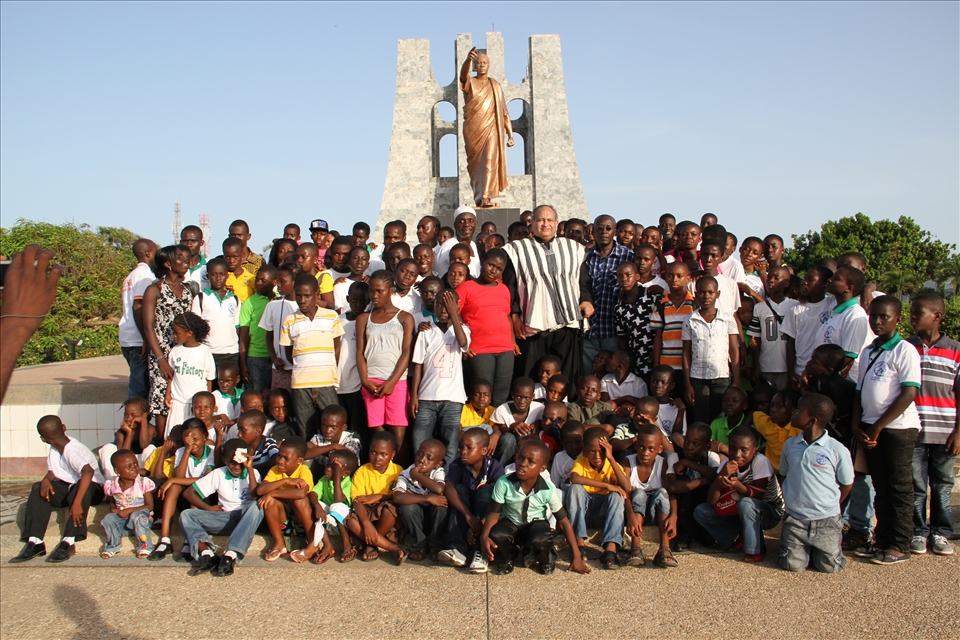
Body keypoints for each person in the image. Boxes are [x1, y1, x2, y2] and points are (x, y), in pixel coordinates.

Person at [851, 296, 921, 565]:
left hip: (896, 428)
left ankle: (900, 543)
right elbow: (859, 391)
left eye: (884, 317)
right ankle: (881, 540)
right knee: (880, 485)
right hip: (870, 428)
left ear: (897, 320)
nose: (877, 322)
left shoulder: (905, 350)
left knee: (899, 487)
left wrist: (879, 426)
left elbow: (909, 392)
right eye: (874, 316)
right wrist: (858, 424)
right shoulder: (869, 350)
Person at [503, 205, 594, 385]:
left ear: (556, 223)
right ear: (533, 223)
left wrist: (586, 300)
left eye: (550, 220)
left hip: (567, 322)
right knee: (530, 376)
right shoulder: (517, 250)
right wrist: (514, 315)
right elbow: (510, 286)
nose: (545, 224)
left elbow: (583, 280)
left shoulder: (573, 249)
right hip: (534, 323)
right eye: (541, 220)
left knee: (567, 377)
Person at [481, 439, 591, 575]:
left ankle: (546, 558)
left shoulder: (548, 489)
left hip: (534, 525)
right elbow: (493, 514)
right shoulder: (504, 482)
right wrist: (484, 537)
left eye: (530, 462)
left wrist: (577, 557)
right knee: (497, 534)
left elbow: (564, 523)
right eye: (520, 458)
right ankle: (509, 557)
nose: (522, 464)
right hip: (512, 523)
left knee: (541, 539)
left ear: (542, 468)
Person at [11, 415, 105, 564]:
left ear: (43, 438)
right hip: (71, 487)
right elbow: (52, 472)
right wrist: (46, 481)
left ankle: (68, 541)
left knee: (79, 487)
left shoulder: (72, 450)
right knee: (37, 488)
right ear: (63, 428)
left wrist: (76, 504)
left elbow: (88, 472)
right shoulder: (54, 449)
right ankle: (35, 542)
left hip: (93, 489)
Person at [906, 292, 959, 556]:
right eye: (912, 312)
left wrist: (959, 433)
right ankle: (919, 531)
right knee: (916, 484)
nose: (912, 316)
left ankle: (941, 532)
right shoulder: (905, 347)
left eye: (918, 312)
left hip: (946, 432)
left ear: (936, 316)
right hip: (912, 431)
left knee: (942, 485)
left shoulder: (956, 351)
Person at [778, 393, 853, 573]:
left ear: (811, 421)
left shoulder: (836, 449)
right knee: (792, 565)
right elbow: (784, 475)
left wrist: (832, 505)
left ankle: (820, 550)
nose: (793, 412)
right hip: (796, 519)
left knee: (830, 567)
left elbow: (847, 483)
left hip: (827, 520)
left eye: (798, 410)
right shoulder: (790, 445)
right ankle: (802, 549)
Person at [694, 426, 784, 562]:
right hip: (741, 512)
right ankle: (732, 541)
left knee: (746, 503)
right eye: (733, 448)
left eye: (744, 450)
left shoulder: (760, 461)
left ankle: (756, 549)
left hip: (770, 512)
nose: (737, 454)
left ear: (755, 451)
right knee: (701, 511)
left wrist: (738, 486)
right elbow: (711, 501)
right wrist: (720, 479)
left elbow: (759, 494)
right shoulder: (726, 464)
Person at [179, 437, 264, 576]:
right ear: (224, 460)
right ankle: (207, 554)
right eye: (232, 463)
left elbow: (255, 496)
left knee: (256, 506)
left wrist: (249, 468)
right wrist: (208, 508)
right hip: (224, 518)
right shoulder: (219, 474)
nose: (237, 467)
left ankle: (231, 554)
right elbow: (189, 493)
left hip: (246, 518)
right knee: (186, 515)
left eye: (240, 463)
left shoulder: (252, 473)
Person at [356, 270, 415, 462]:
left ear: (390, 290)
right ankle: (380, 476)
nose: (374, 296)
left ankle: (398, 475)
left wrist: (392, 382)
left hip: (396, 382)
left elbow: (407, 352)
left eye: (379, 291)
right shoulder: (364, 319)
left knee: (398, 436)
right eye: (371, 291)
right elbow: (360, 352)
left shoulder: (404, 318)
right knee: (379, 435)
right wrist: (364, 380)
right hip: (371, 382)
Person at [410, 290, 470, 468]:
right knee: (420, 441)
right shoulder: (426, 331)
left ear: (457, 306)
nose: (443, 309)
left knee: (450, 443)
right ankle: (420, 477)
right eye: (439, 305)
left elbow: (464, 344)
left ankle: (447, 479)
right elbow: (418, 365)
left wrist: (454, 314)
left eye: (448, 305)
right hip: (426, 397)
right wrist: (414, 396)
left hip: (452, 398)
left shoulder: (462, 329)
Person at [280, 274, 344, 440]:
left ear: (316, 295)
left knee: (332, 428)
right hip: (301, 384)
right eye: (298, 296)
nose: (302, 300)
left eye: (307, 296)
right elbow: (289, 352)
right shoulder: (289, 321)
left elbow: (336, 347)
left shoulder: (331, 317)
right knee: (306, 429)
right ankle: (310, 464)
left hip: (326, 382)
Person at [141, 244, 195, 436]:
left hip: (185, 352)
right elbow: (148, 327)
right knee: (162, 401)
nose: (185, 260)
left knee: (183, 397)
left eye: (186, 257)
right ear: (167, 263)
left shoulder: (190, 289)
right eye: (179, 257)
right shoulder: (154, 290)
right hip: (162, 352)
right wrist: (160, 359)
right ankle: (165, 446)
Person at [457, 248, 520, 406]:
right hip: (480, 350)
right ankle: (478, 429)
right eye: (491, 265)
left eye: (499, 269)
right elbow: (452, 316)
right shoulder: (466, 287)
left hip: (505, 350)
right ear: (483, 261)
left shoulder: (504, 289)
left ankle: (496, 428)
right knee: (481, 395)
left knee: (501, 396)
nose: (494, 271)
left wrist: (513, 342)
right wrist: (463, 345)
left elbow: (506, 317)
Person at [439, 428, 506, 572]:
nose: (463, 451)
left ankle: (480, 552)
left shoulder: (495, 467)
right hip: (467, 513)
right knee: (459, 491)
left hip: (485, 516)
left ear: (483, 451)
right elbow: (448, 488)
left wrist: (481, 521)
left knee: (486, 490)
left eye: (469, 448)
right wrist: (469, 517)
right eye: (461, 447)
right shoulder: (457, 465)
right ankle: (457, 549)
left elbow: (499, 501)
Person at [150, 419, 216, 560]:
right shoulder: (181, 451)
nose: (192, 443)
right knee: (174, 488)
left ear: (205, 436)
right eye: (187, 440)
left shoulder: (212, 453)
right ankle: (165, 539)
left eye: (195, 439)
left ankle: (189, 540)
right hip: (183, 496)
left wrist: (173, 479)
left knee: (195, 490)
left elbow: (206, 481)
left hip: (205, 497)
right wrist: (186, 450)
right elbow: (180, 475)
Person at [567, 427, 630, 569]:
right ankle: (580, 545)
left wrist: (611, 458)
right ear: (584, 450)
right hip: (586, 512)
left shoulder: (609, 463)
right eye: (592, 451)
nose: (597, 457)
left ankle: (610, 550)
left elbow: (626, 486)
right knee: (575, 488)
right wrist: (607, 486)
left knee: (617, 495)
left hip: (603, 514)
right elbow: (574, 477)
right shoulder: (581, 461)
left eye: (601, 451)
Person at [459, 47, 513, 207]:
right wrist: (468, 60)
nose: (482, 65)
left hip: (492, 129)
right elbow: (463, 76)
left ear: (489, 65)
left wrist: (510, 134)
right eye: (479, 63)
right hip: (474, 129)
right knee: (476, 166)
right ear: (475, 66)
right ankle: (478, 196)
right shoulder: (471, 83)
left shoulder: (495, 85)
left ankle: (486, 196)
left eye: (485, 62)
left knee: (489, 160)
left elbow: (504, 112)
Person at [683, 276, 740, 424]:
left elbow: (734, 350)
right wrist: (688, 383)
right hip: (698, 378)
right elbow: (686, 353)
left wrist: (736, 381)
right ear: (696, 294)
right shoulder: (689, 320)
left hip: (721, 377)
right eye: (701, 292)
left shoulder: (727, 319)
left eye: (710, 292)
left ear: (717, 294)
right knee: (700, 419)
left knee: (719, 419)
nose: (706, 296)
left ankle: (715, 447)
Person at [582, 215, 634, 373]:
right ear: (593, 231)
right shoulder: (584, 256)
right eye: (599, 228)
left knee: (613, 376)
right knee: (589, 375)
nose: (603, 231)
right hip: (590, 330)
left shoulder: (627, 256)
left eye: (608, 228)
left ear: (615, 232)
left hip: (614, 330)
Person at [622, 423, 679, 567]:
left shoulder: (662, 464)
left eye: (651, 449)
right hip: (635, 514)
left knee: (662, 492)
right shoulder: (628, 463)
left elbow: (670, 492)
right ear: (636, 446)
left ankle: (664, 549)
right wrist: (631, 516)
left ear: (660, 449)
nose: (645, 452)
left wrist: (674, 516)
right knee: (639, 493)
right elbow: (624, 493)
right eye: (641, 447)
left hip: (657, 514)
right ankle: (635, 548)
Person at [344, 431, 405, 564]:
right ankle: (390, 547)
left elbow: (400, 497)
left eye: (383, 454)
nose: (377, 457)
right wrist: (366, 524)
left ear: (392, 454)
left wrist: (380, 496)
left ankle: (371, 545)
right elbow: (357, 501)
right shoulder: (362, 471)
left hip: (386, 514)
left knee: (391, 510)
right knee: (350, 521)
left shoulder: (398, 471)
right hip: (366, 512)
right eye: (373, 452)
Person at [256, 436, 314, 562]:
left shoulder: (304, 470)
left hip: (300, 519)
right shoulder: (275, 470)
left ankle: (313, 543)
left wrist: (273, 493)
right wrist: (286, 480)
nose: (280, 461)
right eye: (279, 456)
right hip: (284, 520)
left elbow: (300, 494)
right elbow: (260, 490)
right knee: (270, 503)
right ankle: (279, 543)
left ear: (299, 460)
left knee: (300, 501)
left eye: (286, 458)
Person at [293, 448, 357, 564]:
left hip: (344, 525)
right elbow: (313, 494)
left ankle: (347, 544)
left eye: (333, 467)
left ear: (345, 473)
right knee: (320, 506)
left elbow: (339, 499)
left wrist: (336, 475)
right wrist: (317, 506)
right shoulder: (324, 480)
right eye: (327, 465)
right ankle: (328, 547)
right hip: (328, 524)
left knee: (336, 506)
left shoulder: (348, 482)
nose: (327, 469)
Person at [663, 422, 719, 550]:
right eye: (687, 441)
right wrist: (704, 481)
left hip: (702, 502)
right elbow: (671, 486)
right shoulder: (675, 457)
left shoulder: (712, 457)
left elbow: (715, 475)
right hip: (683, 505)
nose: (689, 447)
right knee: (684, 485)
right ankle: (684, 535)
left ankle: (706, 534)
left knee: (707, 490)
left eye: (695, 444)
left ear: (707, 446)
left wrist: (687, 463)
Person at [616, 248, 668, 380]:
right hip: (635, 357)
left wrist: (656, 352)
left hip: (655, 354)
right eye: (620, 276)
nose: (624, 279)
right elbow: (623, 337)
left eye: (628, 275)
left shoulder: (652, 296)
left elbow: (662, 328)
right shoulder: (619, 306)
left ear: (637, 277)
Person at [394, 440, 448, 561]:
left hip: (433, 516)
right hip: (417, 516)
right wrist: (428, 498)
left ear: (438, 464)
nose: (422, 460)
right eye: (420, 454)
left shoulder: (437, 472)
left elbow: (439, 489)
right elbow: (397, 497)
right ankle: (420, 543)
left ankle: (435, 543)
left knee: (441, 505)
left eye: (429, 458)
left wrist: (418, 476)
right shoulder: (407, 473)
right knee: (407, 508)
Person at [818, 265, 873, 382]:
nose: (830, 279)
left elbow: (849, 355)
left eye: (836, 278)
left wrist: (826, 374)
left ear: (848, 288)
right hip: (827, 377)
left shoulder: (855, 313)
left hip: (844, 381)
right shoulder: (835, 311)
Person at [745, 266, 796, 390]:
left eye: (776, 278)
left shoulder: (794, 306)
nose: (770, 280)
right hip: (766, 365)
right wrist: (757, 365)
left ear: (786, 283)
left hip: (787, 367)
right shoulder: (759, 307)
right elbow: (756, 339)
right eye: (768, 278)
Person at [782, 266, 835, 386]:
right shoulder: (795, 309)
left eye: (810, 279)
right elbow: (790, 342)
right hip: (800, 371)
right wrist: (791, 373)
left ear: (823, 285)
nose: (804, 282)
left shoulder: (831, 304)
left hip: (822, 372)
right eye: (805, 278)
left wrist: (869, 288)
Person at [163, 312, 216, 432]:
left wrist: (208, 399)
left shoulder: (204, 351)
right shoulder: (175, 351)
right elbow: (171, 376)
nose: (174, 336)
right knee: (175, 434)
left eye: (177, 333)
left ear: (189, 333)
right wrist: (168, 394)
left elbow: (209, 378)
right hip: (178, 402)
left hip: (197, 406)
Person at [118, 238, 157, 399]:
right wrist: (146, 338)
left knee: (139, 384)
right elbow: (138, 306)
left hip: (128, 336)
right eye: (155, 252)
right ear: (148, 253)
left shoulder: (131, 275)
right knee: (139, 388)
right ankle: (134, 422)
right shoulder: (145, 275)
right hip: (138, 339)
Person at [99, 450, 156, 559]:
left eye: (135, 464)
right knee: (108, 518)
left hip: (141, 521)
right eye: (128, 467)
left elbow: (149, 506)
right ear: (117, 470)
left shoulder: (142, 483)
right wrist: (114, 510)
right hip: (124, 524)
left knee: (137, 515)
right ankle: (113, 545)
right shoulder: (112, 486)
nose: (134, 468)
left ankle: (145, 545)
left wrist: (128, 511)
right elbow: (112, 502)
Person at [190, 257, 240, 376]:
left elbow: (237, 327)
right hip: (210, 352)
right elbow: (195, 330)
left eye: (222, 274)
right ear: (207, 276)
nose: (218, 278)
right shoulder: (201, 299)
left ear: (227, 276)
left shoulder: (234, 299)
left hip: (232, 353)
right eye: (214, 274)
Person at [650, 261, 695, 392]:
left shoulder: (694, 305)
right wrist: (656, 364)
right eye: (670, 275)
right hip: (667, 365)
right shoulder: (661, 305)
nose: (674, 279)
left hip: (689, 366)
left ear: (687, 279)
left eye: (679, 276)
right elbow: (658, 337)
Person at [259, 261, 300, 391]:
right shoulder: (272, 306)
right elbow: (268, 337)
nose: (278, 285)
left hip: (300, 369)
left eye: (282, 281)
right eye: (277, 281)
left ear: (295, 282)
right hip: (280, 367)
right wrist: (274, 358)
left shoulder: (305, 307)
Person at [337, 281, 369, 440]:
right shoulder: (338, 320)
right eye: (354, 300)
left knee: (358, 429)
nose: (358, 304)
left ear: (369, 301)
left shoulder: (369, 322)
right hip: (338, 383)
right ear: (348, 299)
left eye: (363, 301)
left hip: (357, 386)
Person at [97, 397, 158, 481]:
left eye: (133, 415)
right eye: (126, 415)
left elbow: (144, 444)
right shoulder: (122, 432)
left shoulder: (150, 429)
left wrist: (143, 422)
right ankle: (113, 482)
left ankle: (143, 483)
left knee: (150, 448)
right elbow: (122, 455)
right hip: (125, 466)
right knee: (107, 448)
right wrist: (129, 433)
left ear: (144, 415)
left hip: (142, 467)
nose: (128, 418)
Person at [238, 264, 276, 393]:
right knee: (256, 395)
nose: (258, 283)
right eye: (257, 280)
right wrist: (243, 363)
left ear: (274, 282)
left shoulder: (279, 300)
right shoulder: (249, 302)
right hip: (255, 357)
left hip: (275, 357)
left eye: (263, 281)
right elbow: (243, 335)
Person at [489, 376, 544, 465]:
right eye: (518, 397)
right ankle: (500, 471)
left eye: (526, 398)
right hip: (507, 450)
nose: (522, 401)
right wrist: (512, 427)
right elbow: (499, 429)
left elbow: (545, 424)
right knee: (508, 438)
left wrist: (537, 423)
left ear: (532, 396)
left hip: (528, 454)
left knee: (525, 434)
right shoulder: (502, 410)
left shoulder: (539, 409)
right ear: (512, 395)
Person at [752, 389, 801, 476]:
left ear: (793, 410)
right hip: (770, 473)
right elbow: (754, 414)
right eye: (772, 405)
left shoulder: (798, 429)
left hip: (791, 473)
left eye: (779, 406)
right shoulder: (766, 424)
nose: (773, 410)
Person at [305, 405, 362, 477]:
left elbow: (349, 457)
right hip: (324, 475)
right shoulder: (319, 437)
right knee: (307, 463)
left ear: (344, 427)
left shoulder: (351, 437)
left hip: (345, 477)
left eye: (333, 427)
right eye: (324, 426)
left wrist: (317, 449)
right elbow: (304, 455)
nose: (327, 431)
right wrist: (333, 446)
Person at [708, 387, 751, 452]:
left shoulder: (751, 428)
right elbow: (709, 445)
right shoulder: (716, 423)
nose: (729, 403)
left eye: (735, 400)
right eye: (725, 400)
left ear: (744, 406)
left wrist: (721, 447)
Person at [221, 237, 256, 303]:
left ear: (242, 255)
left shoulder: (251, 278)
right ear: (224, 257)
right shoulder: (220, 277)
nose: (231, 261)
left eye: (235, 257)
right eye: (228, 257)